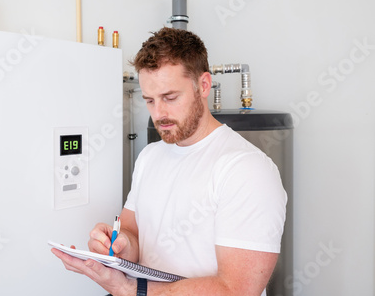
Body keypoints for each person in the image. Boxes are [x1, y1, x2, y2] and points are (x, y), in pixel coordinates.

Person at [52, 27, 287, 296]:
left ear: (204, 85)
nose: (159, 113)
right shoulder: (150, 156)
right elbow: (132, 232)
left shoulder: (247, 169)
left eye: (170, 97)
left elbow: (236, 290)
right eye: (149, 101)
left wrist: (132, 290)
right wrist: (119, 245)